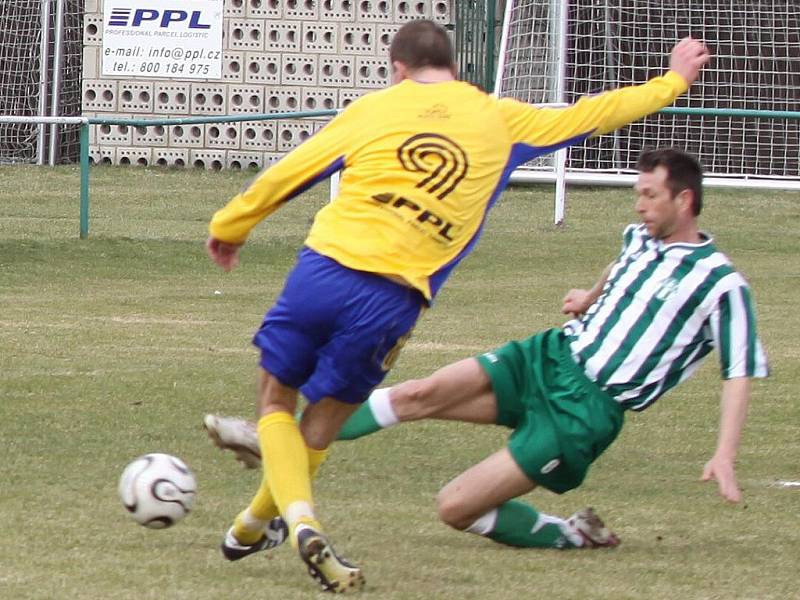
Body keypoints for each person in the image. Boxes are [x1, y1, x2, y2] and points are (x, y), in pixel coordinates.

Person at [205, 18, 711, 592]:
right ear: (456, 68)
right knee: (320, 425)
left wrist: (231, 226)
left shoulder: (374, 109)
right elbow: (592, 113)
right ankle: (253, 524)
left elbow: (294, 170)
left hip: (325, 269)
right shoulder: (500, 119)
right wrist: (672, 81)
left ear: (398, 68)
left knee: (276, 397)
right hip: (395, 300)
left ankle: (296, 522)